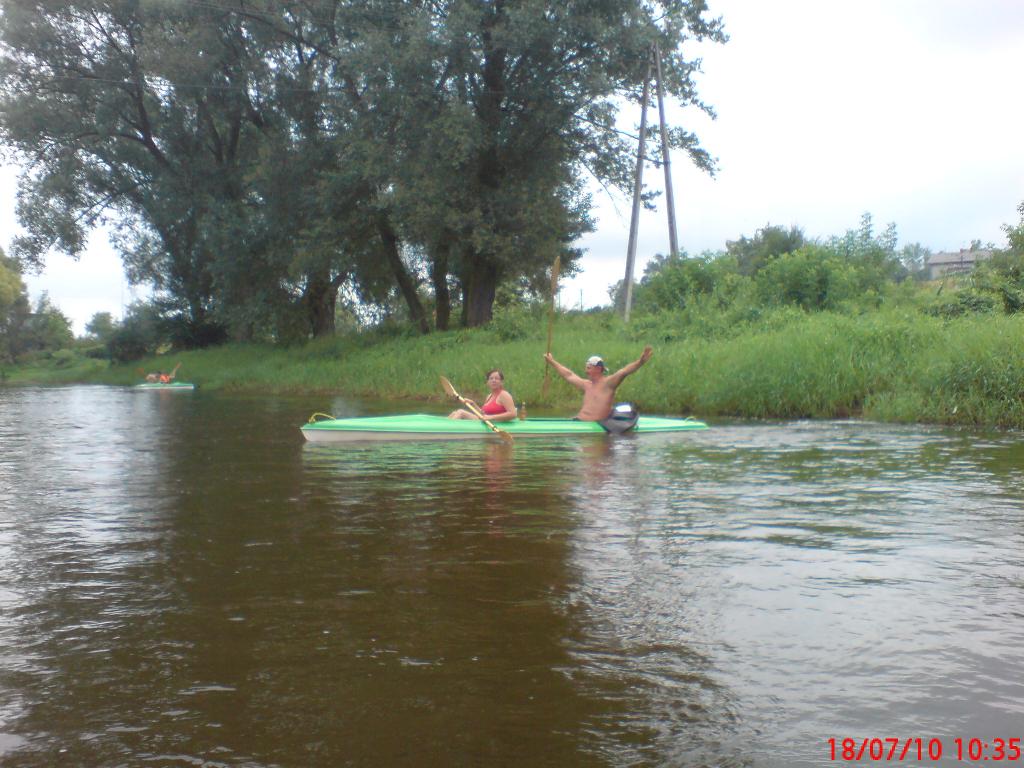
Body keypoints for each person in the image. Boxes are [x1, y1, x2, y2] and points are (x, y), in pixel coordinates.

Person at [544, 346, 653, 422]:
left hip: (596, 426)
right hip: (579, 421)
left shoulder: (608, 384)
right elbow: (569, 375)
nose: (586, 371)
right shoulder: (586, 384)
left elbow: (624, 371)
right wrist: (552, 362)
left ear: (598, 368)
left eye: (588, 368)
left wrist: (640, 362)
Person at [448, 369, 518, 422]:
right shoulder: (489, 396)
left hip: (496, 423)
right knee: (455, 413)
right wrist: (473, 404)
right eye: (491, 378)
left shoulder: (504, 395)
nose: (493, 380)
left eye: (496, 378)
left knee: (461, 412)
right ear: (487, 382)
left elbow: (513, 414)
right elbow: (483, 414)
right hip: (486, 421)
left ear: (501, 382)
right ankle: (443, 425)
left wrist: (492, 417)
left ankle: (447, 429)